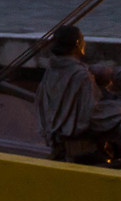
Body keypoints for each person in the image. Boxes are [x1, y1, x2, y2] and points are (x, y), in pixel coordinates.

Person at [37, 24, 99, 153]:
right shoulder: (82, 76)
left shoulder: (50, 71)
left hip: (54, 138)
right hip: (77, 143)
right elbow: (89, 113)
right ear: (77, 44)